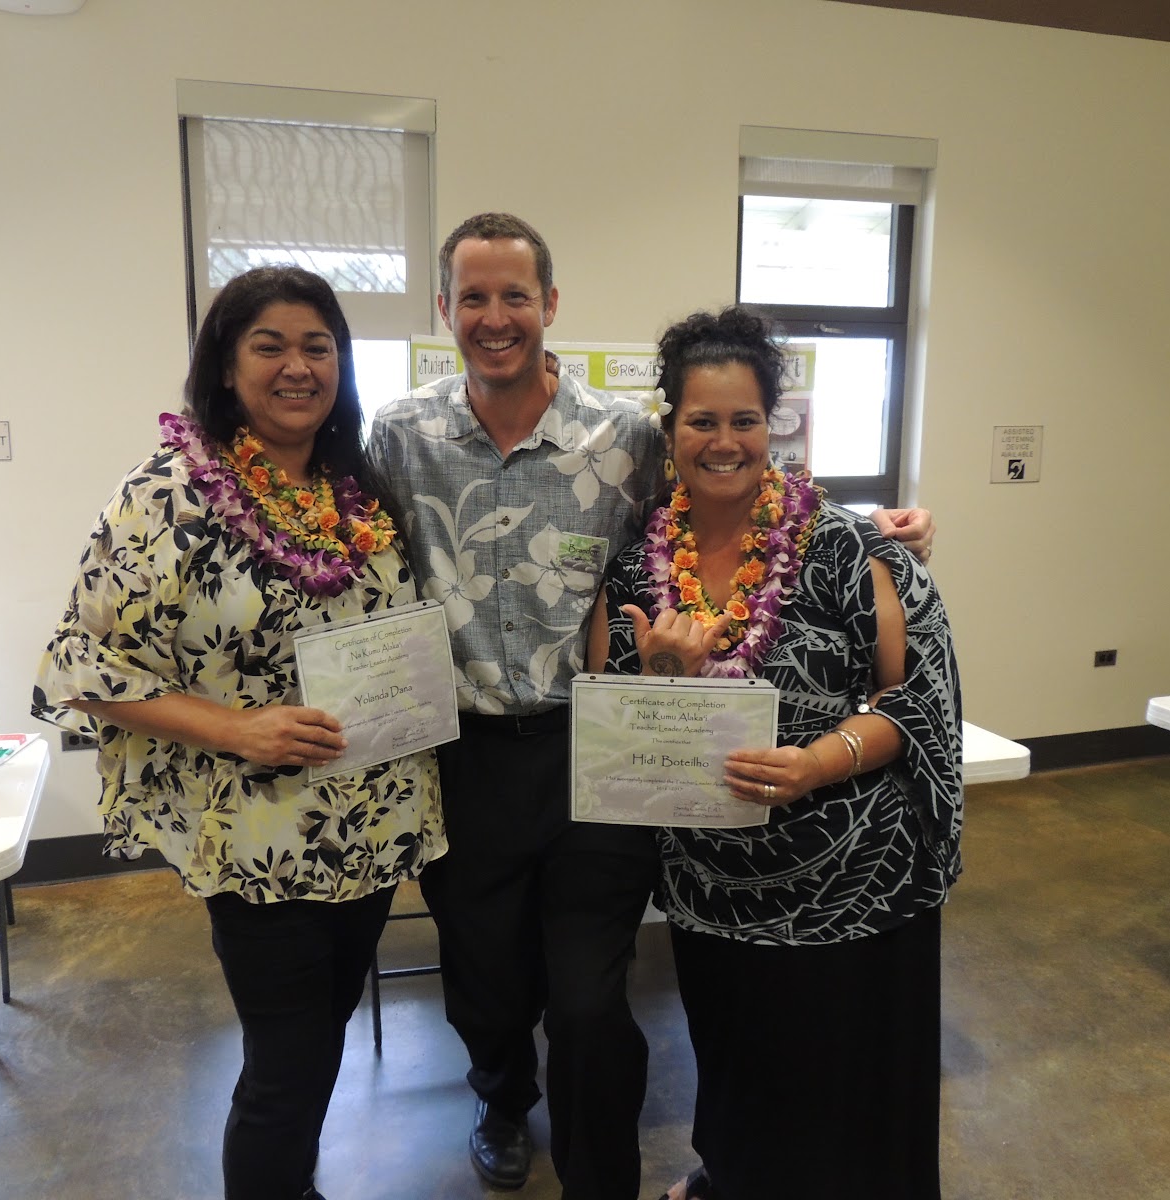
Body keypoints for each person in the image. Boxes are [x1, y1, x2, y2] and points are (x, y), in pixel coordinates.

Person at [368, 212, 938, 1199]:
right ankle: (501, 1094)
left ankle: (601, 1181)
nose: (496, 317)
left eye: (516, 295)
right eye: (475, 297)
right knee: (488, 985)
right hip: (462, 753)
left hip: (594, 745)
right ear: (444, 307)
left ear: (550, 304)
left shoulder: (623, 435)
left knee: (590, 1006)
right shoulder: (398, 434)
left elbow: (736, 492)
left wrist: (874, 530)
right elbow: (354, 548)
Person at [31, 266, 444, 1200]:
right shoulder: (169, 493)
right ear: (225, 366)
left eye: (318, 347)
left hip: (370, 823)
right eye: (270, 346)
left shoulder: (353, 487)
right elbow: (81, 664)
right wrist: (239, 729)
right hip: (257, 834)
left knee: (321, 1038)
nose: (298, 367)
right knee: (284, 1066)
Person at [586, 306, 963, 1200]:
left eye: (744, 420)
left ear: (772, 426)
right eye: (702, 421)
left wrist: (818, 763)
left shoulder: (849, 547)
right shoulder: (636, 567)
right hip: (712, 881)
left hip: (855, 881)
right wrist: (666, 673)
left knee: (847, 1089)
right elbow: (608, 732)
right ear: (669, 429)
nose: (724, 442)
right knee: (741, 1068)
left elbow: (920, 700)